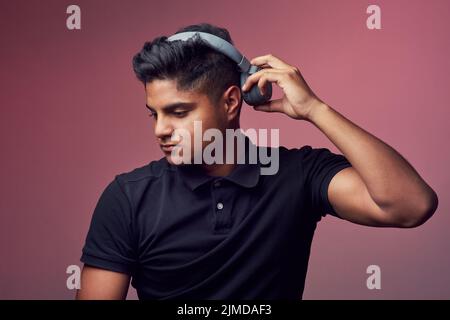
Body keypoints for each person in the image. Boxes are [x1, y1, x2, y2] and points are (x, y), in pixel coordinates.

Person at [76, 23, 438, 300]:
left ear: (232, 102)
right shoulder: (126, 197)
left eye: (179, 112)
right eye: (153, 114)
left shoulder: (299, 174)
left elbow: (410, 206)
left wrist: (315, 109)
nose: (161, 129)